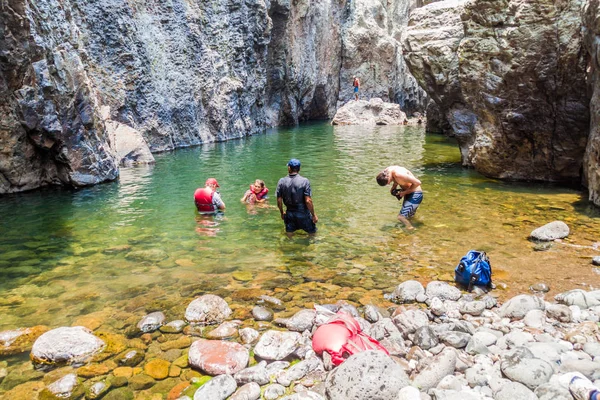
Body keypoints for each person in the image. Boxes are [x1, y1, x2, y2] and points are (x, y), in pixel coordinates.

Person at [276, 159, 318, 237]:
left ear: (289, 168)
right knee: (312, 234)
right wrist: (313, 215)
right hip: (303, 214)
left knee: (289, 235)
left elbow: (279, 200)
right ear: (299, 169)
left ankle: (290, 247)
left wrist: (282, 213)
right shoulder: (305, 181)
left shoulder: (281, 181)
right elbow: (308, 200)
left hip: (289, 214)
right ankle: (312, 248)